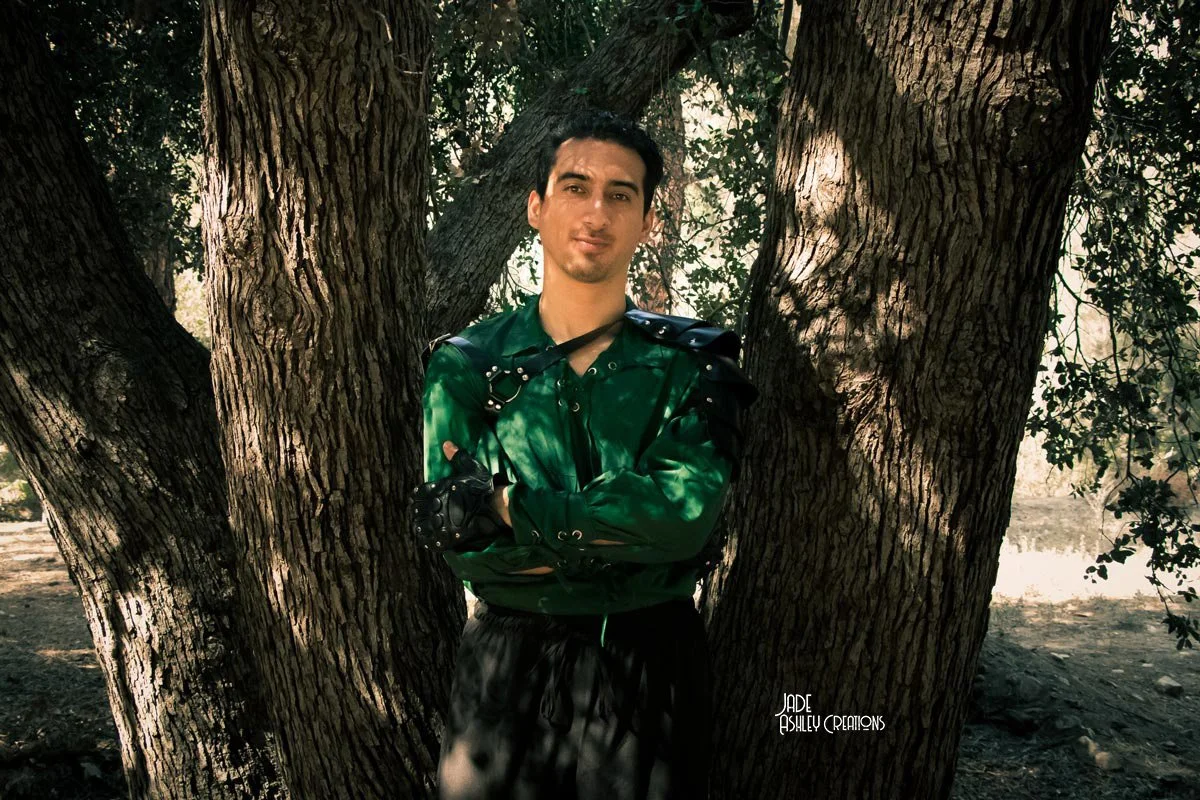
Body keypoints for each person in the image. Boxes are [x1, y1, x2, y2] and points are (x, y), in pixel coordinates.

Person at [410, 110, 757, 799]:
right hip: (501, 672)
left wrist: (508, 506)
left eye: (621, 194)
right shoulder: (467, 366)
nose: (597, 210)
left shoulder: (690, 369)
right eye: (575, 187)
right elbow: (462, 541)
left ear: (648, 220)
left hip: (649, 664)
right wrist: (621, 538)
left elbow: (680, 521)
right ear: (536, 207)